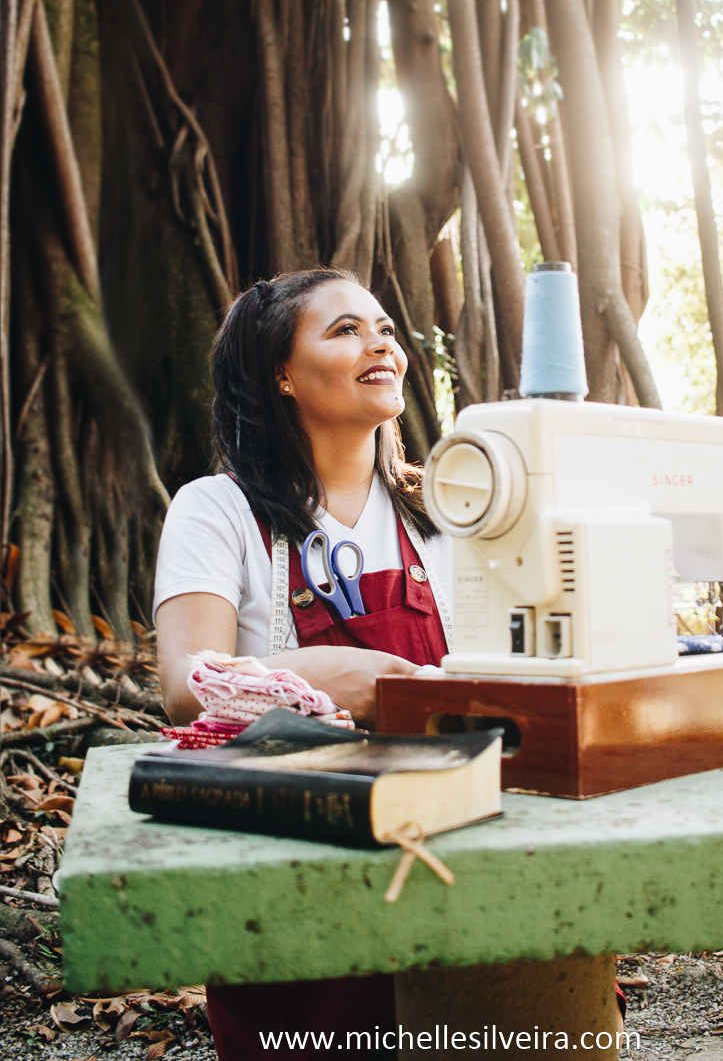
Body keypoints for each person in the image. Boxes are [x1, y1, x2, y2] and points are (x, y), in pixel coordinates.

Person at [154, 269, 453, 1060]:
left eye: (385, 327)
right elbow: (187, 684)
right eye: (345, 329)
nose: (380, 341)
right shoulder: (215, 510)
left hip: (457, 852)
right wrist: (311, 678)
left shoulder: (447, 510)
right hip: (296, 874)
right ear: (280, 374)